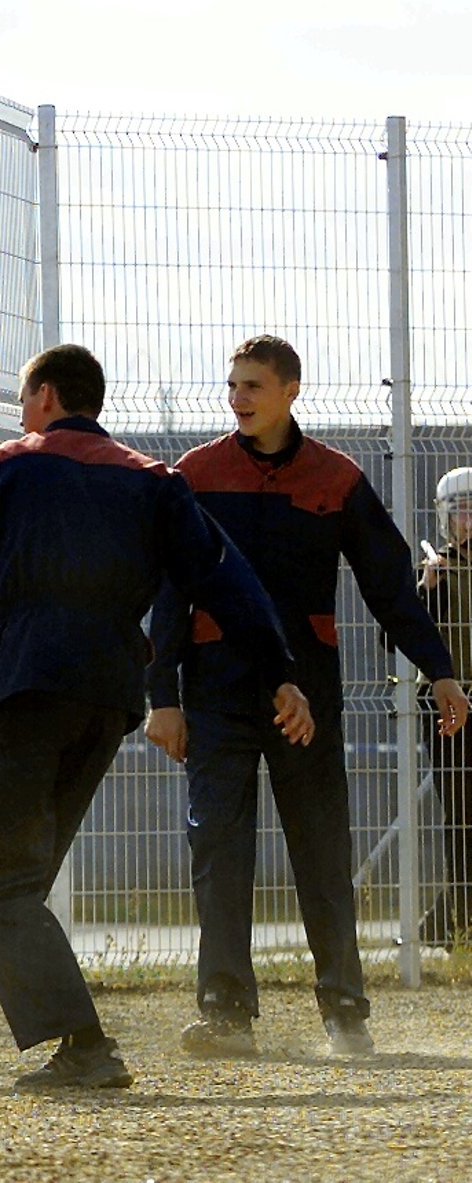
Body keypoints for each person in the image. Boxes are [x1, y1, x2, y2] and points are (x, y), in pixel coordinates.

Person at [0, 343, 309, 1092]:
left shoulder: (9, 463)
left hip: (28, 684)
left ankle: (86, 1045)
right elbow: (225, 577)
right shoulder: (154, 481)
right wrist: (277, 670)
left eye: (22, 399)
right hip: (111, 692)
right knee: (22, 876)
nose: (21, 413)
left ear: (44, 395)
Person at [145, 335, 467, 1058]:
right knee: (218, 850)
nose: (239, 398)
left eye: (253, 385)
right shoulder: (195, 474)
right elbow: (170, 591)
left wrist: (438, 668)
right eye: (232, 385)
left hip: (308, 701)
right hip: (217, 695)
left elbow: (388, 584)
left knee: (323, 852)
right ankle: (227, 1012)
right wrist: (160, 693)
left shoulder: (337, 479)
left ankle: (345, 1011)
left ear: (292, 389)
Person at [419, 467, 472, 944]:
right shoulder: (437, 569)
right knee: (460, 813)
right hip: (449, 707)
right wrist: (429, 590)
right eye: (459, 509)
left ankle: (448, 920)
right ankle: (456, 921)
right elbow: (399, 637)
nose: (468, 519)